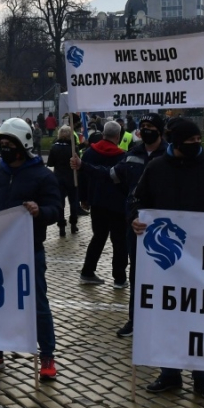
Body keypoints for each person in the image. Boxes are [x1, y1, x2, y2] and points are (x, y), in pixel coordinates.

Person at [131, 118, 204, 400]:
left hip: (199, 261)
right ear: (176, 142)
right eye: (191, 142)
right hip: (164, 261)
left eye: (199, 141)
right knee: (167, 317)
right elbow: (137, 200)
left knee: (200, 320)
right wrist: (135, 219)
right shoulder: (156, 167)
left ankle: (203, 378)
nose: (197, 146)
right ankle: (169, 373)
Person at [0, 117, 62, 381]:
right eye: (1, 142)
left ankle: (47, 356)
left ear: (23, 144)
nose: (4, 147)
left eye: (9, 143)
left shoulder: (43, 176)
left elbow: (56, 210)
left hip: (28, 252)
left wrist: (39, 211)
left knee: (38, 306)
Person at [73, 113, 170, 338]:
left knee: (163, 275)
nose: (145, 129)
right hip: (135, 223)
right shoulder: (132, 154)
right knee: (136, 275)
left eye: (150, 126)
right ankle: (134, 321)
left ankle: (162, 322)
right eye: (142, 126)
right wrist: (83, 166)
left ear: (159, 130)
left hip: (163, 225)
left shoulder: (170, 154)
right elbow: (110, 176)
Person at [76, 121, 128, 287]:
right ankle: (119, 278)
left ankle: (87, 271)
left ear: (103, 133)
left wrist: (83, 198)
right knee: (119, 241)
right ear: (118, 136)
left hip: (97, 202)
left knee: (98, 237)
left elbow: (82, 176)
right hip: (117, 204)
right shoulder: (122, 156)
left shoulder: (90, 152)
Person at [46, 126, 79, 237]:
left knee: (60, 203)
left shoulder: (54, 147)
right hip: (72, 177)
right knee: (73, 202)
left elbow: (50, 163)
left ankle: (61, 227)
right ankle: (73, 224)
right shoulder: (74, 148)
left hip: (59, 178)